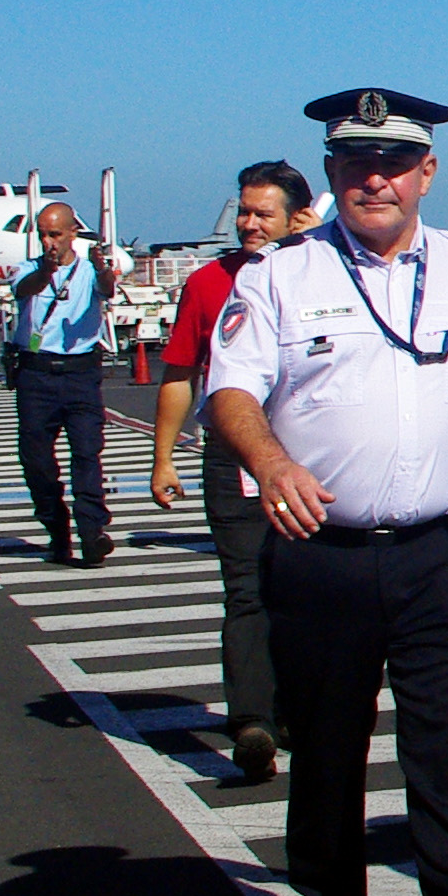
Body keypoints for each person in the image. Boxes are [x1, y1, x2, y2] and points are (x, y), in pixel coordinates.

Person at [208, 89, 448, 896]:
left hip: (442, 555)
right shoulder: (280, 277)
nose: (376, 180)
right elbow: (231, 392)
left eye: (395, 162)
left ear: (426, 173)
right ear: (332, 173)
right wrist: (271, 462)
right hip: (323, 557)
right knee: (327, 755)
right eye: (357, 163)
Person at [147, 161, 318, 783]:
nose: (248, 224)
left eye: (262, 214)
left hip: (314, 458)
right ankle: (252, 722)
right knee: (247, 588)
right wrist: (164, 456)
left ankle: (300, 708)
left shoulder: (326, 274)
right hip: (235, 459)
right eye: (244, 211)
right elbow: (179, 373)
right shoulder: (207, 283)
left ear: (297, 218)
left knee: (312, 590)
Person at [9, 201, 115, 567]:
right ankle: (56, 526)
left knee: (86, 452)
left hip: (80, 373)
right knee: (36, 459)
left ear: (72, 233)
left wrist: (102, 268)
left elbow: (107, 288)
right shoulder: (29, 269)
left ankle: (92, 530)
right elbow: (25, 288)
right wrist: (47, 270)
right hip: (36, 373)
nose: (48, 241)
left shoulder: (88, 271)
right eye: (43, 235)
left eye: (55, 234)